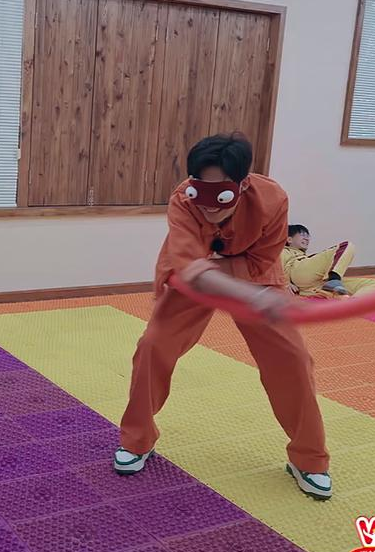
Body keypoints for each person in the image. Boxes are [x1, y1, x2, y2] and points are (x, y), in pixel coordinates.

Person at [114, 134, 332, 500]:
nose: (208, 207)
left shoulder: (273, 199)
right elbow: (189, 267)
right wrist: (233, 286)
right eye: (201, 193)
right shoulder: (183, 199)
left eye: (221, 196)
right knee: (152, 347)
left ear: (243, 185)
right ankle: (137, 440)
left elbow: (261, 262)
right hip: (193, 278)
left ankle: (309, 459)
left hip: (255, 277)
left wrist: (231, 279)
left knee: (293, 358)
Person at [282, 225, 375, 298]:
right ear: (289, 239)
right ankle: (334, 278)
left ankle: (354, 304)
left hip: (315, 286)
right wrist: (286, 283)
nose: (307, 238)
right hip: (299, 273)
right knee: (346, 246)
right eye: (303, 235)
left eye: (308, 236)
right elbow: (276, 266)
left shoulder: (307, 257)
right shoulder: (284, 251)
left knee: (372, 283)